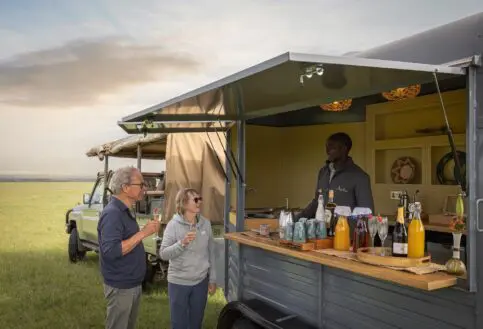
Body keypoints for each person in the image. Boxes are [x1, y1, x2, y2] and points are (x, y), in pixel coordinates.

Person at [98, 166, 160, 329]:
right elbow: (111, 251)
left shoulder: (124, 211)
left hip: (131, 284)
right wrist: (143, 233)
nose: (144, 188)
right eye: (140, 184)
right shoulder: (113, 214)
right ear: (125, 188)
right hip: (121, 286)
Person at [160, 188, 217, 329]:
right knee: (179, 324)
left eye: (200, 199)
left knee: (196, 323)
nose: (199, 202)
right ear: (184, 203)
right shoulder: (173, 226)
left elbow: (211, 252)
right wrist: (182, 243)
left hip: (200, 282)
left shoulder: (206, 224)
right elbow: (163, 253)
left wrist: (213, 279)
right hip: (178, 282)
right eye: (195, 200)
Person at [298, 132, 374, 219]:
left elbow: (367, 213)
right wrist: (295, 219)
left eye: (332, 147)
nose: (327, 151)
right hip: (322, 231)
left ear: (344, 149)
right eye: (326, 147)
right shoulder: (323, 172)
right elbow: (317, 202)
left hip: (345, 231)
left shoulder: (360, 177)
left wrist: (344, 222)